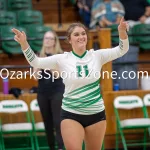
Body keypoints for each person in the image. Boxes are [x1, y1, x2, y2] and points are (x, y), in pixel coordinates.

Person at [12, 17, 129, 150]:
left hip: (96, 114)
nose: (81, 37)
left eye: (83, 33)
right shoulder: (62, 59)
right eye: (76, 34)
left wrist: (121, 32)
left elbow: (121, 50)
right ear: (69, 39)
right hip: (71, 114)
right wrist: (24, 43)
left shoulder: (97, 55)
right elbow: (36, 62)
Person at [34, 30, 65, 150]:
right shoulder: (38, 55)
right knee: (47, 123)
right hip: (42, 92)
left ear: (54, 41)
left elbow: (58, 75)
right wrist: (37, 63)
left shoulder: (60, 56)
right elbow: (35, 77)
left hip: (57, 91)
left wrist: (46, 62)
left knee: (58, 121)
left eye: (50, 38)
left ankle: (61, 147)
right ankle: (51, 147)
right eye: (45, 38)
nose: (47, 40)